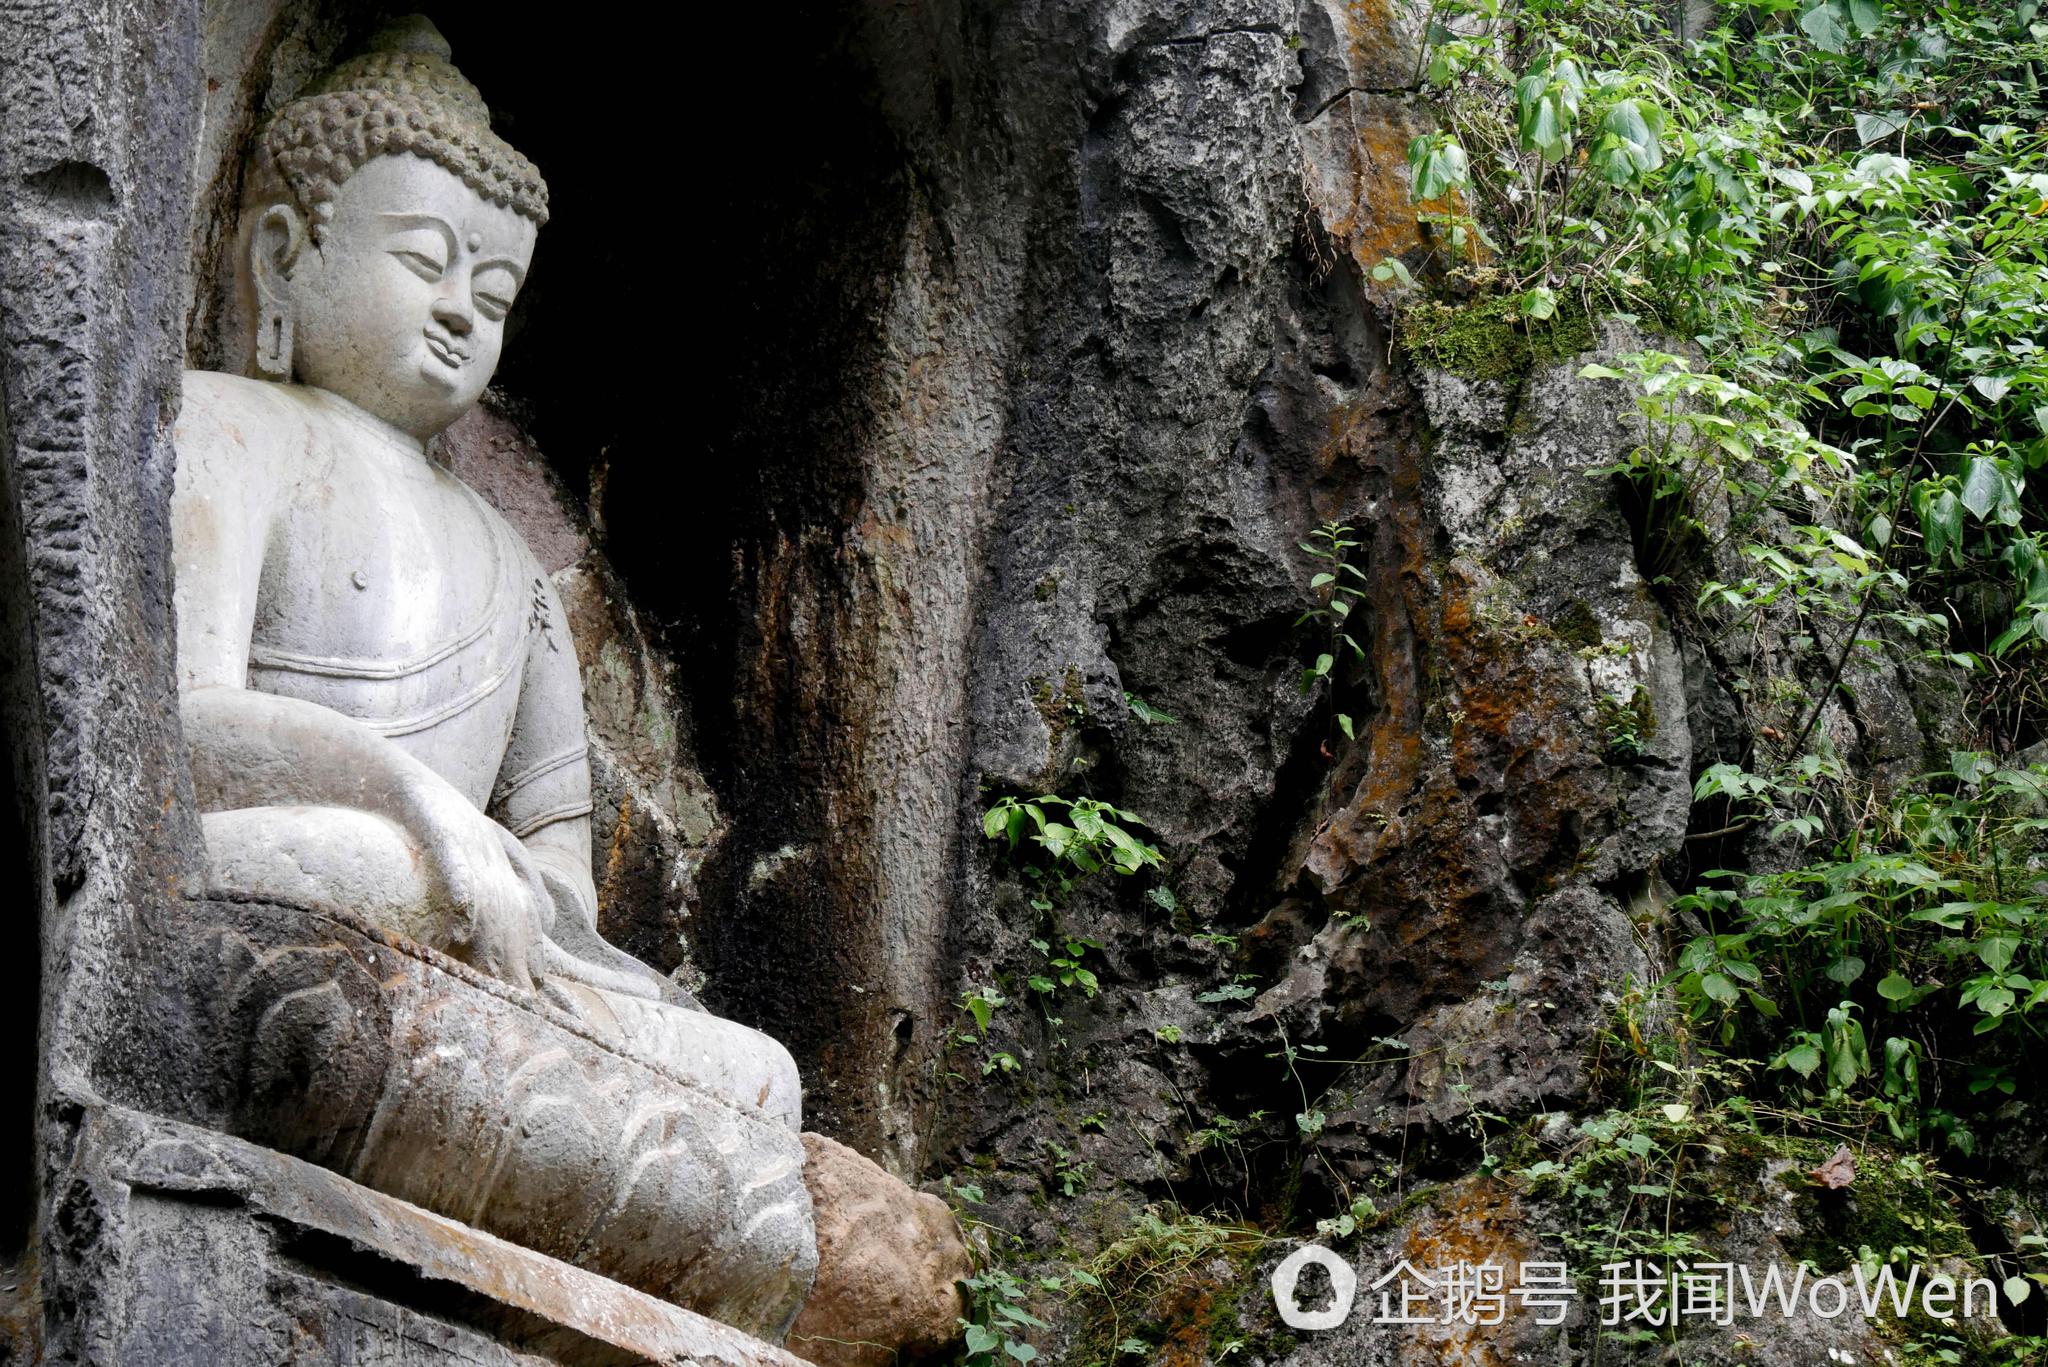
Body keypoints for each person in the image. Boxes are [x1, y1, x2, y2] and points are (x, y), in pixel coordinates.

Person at [172, 15, 802, 1129]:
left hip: (481, 940)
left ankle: (474, 1095)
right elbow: (181, 725)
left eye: (496, 291)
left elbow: (560, 880)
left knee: (760, 1078)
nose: (462, 309)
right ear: (281, 255)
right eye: (423, 260)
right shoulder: (228, 429)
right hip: (313, 863)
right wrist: (415, 801)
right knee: (365, 870)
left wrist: (520, 887)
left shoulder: (514, 572)